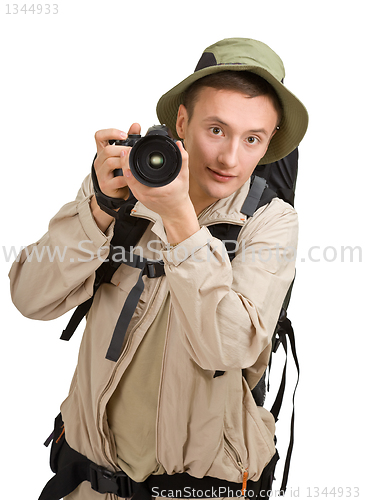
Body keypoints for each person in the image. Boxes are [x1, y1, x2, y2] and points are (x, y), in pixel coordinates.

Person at [9, 38, 308, 500]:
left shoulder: (272, 222)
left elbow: (227, 349)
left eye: (252, 139)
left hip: (201, 491)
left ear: (269, 144)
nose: (230, 158)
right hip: (86, 482)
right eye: (216, 129)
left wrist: (180, 223)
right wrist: (100, 211)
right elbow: (30, 297)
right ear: (182, 122)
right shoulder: (127, 191)